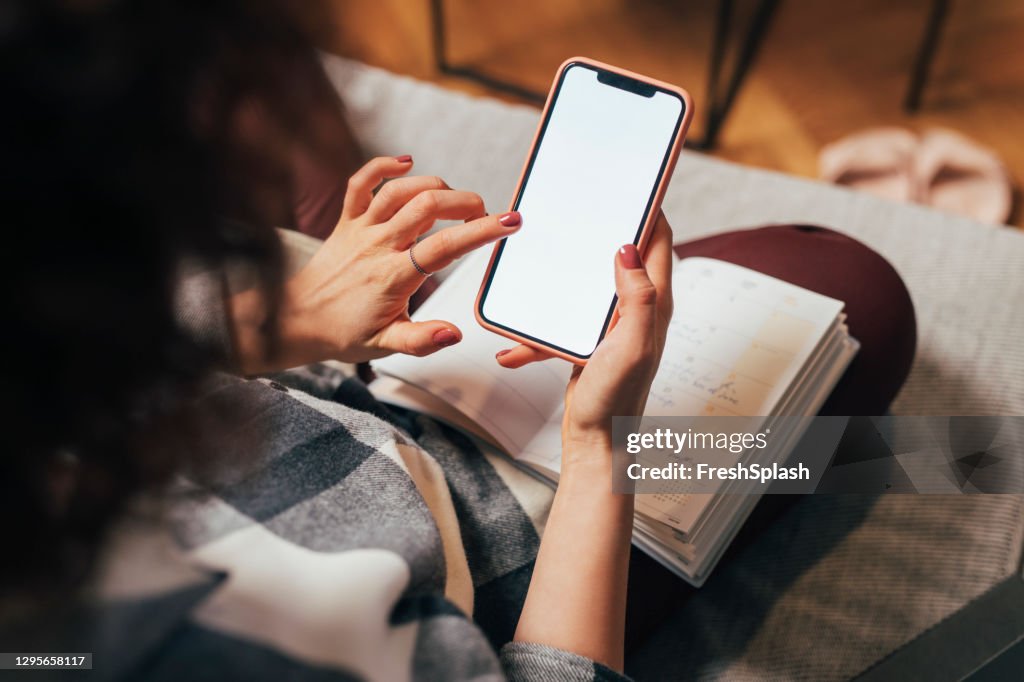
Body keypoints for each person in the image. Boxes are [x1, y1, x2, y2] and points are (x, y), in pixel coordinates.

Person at [1, 1, 915, 680]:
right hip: (491, 549)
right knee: (853, 287)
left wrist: (278, 326)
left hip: (320, 387)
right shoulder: (227, 648)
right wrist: (603, 446)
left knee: (321, 151)